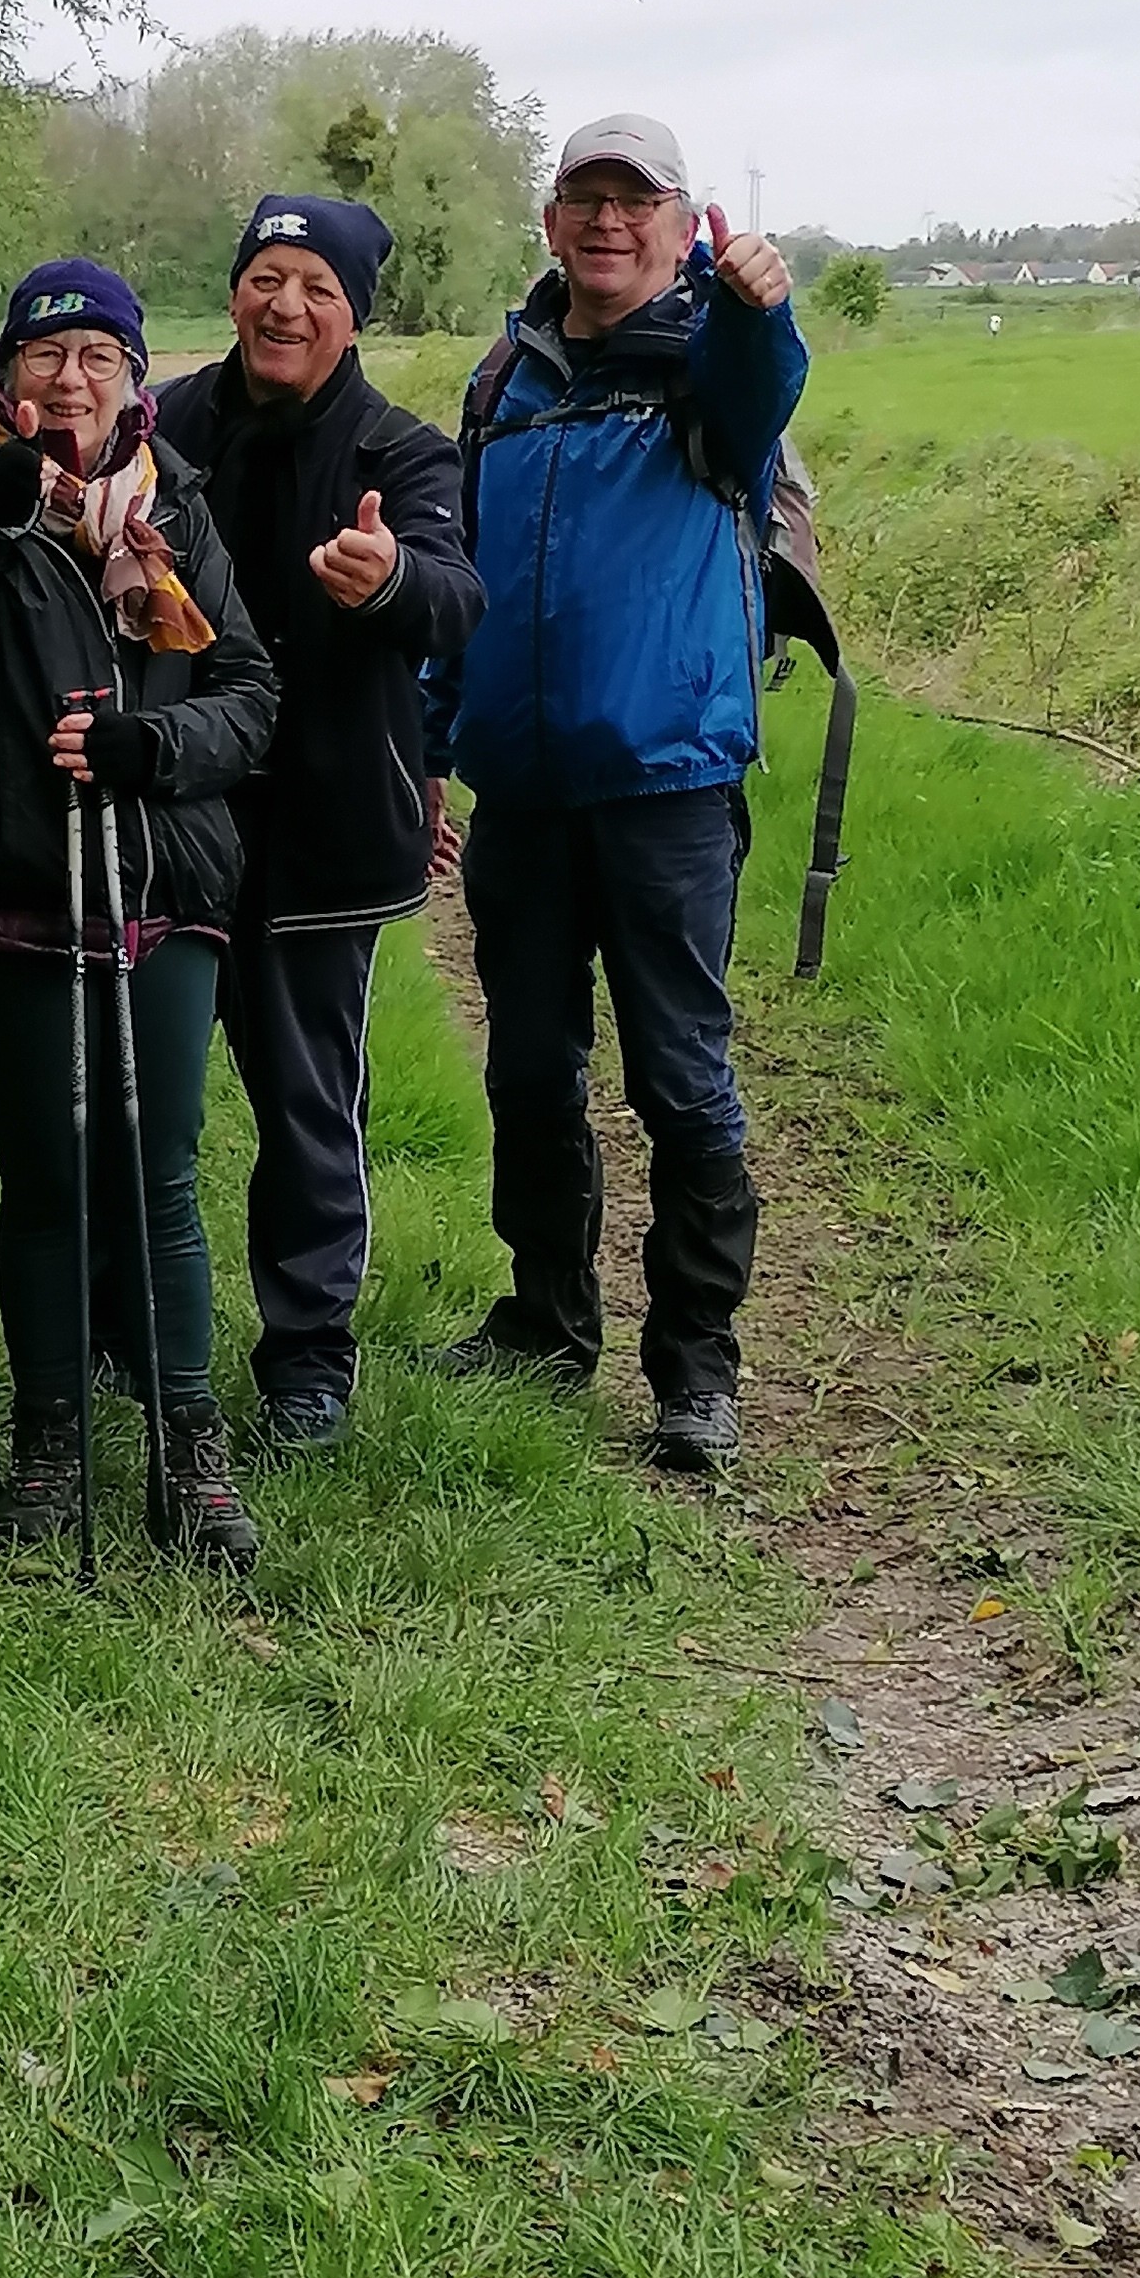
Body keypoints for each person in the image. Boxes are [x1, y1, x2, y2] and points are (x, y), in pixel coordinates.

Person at [0, 258, 278, 1562]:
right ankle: (49, 1449)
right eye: (45, 356)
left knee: (160, 1181)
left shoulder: (175, 514)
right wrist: (19, 470)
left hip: (159, 887)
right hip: (2, 889)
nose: (71, 378)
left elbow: (249, 696)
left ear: (134, 380)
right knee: (45, 1183)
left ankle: (189, 1454)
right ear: (2, 376)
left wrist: (148, 750)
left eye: (99, 356)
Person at [424, 115, 806, 1474]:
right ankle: (544, 1323)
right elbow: (458, 587)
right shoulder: (502, 383)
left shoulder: (709, 368)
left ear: (675, 220)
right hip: (520, 790)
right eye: (584, 198)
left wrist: (763, 307)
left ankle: (696, 1376)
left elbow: (764, 391)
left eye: (633, 201)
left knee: (681, 1081)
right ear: (550, 223)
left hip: (666, 787)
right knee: (528, 1070)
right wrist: (429, 745)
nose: (606, 222)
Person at [151, 195, 483, 1453]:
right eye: (265, 277)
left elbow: (457, 598)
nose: (284, 306)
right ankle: (140, 1334)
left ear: (353, 315)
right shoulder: (165, 424)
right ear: (235, 289)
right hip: (172, 824)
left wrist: (389, 581)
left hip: (324, 841)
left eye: (316, 288)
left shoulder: (401, 453)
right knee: (148, 1096)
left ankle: (306, 1354)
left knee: (303, 1103)